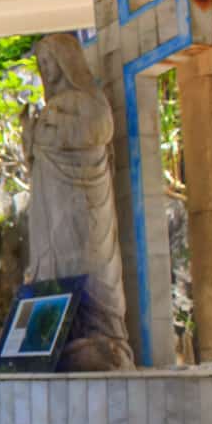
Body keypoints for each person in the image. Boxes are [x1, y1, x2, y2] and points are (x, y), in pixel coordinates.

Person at [23, 34, 135, 371]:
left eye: (51, 63)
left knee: (92, 268)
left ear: (67, 63)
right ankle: (60, 337)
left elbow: (99, 130)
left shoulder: (88, 101)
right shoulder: (53, 107)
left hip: (82, 202)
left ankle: (105, 338)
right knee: (53, 263)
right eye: (42, 65)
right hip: (51, 205)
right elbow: (37, 154)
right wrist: (31, 135)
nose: (47, 71)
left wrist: (50, 132)